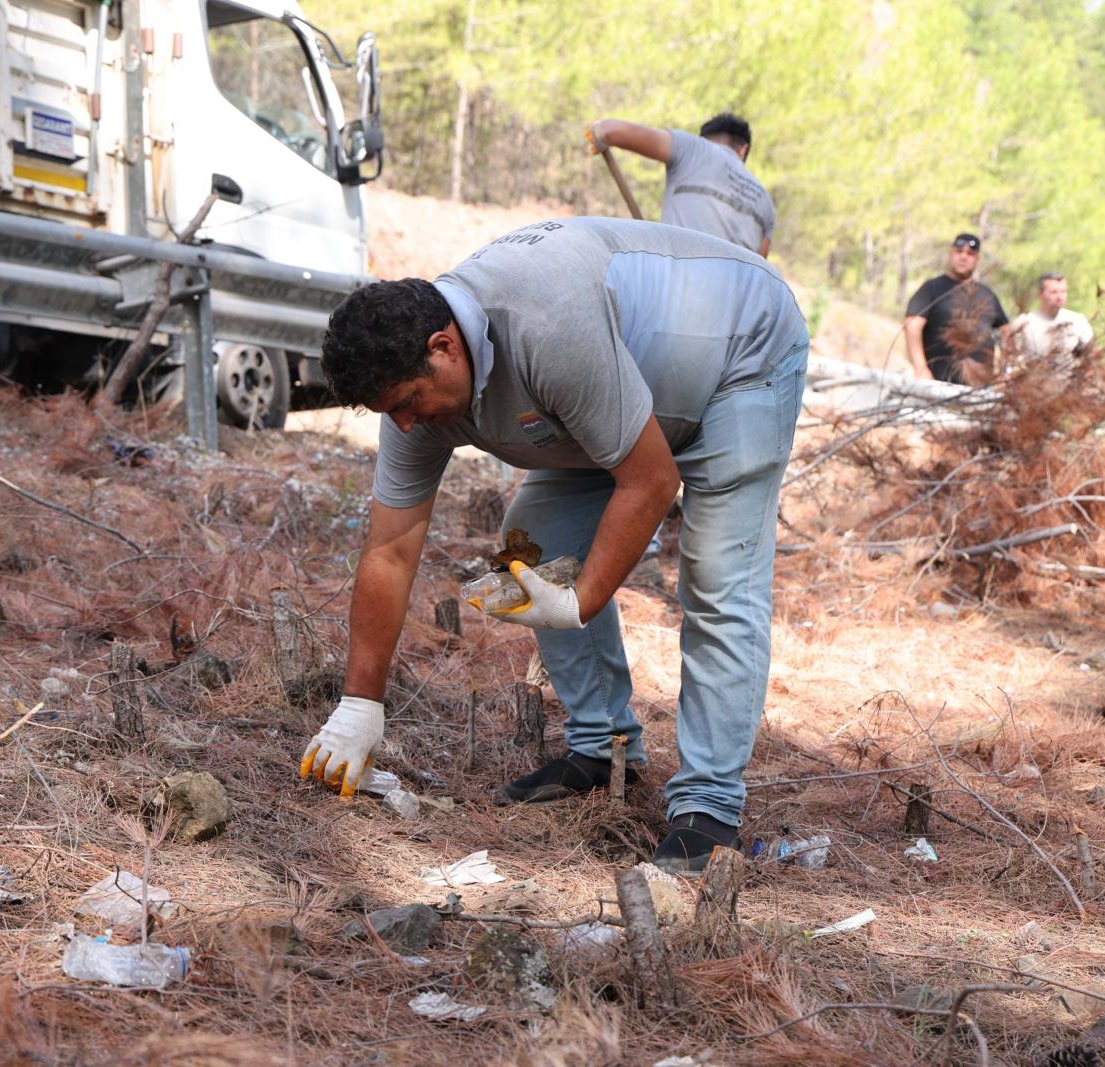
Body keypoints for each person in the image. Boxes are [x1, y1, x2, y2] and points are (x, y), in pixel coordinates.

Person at [297, 217, 809, 876]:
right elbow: (389, 549)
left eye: (408, 403)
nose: (404, 424)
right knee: (533, 551)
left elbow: (651, 480)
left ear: (444, 346)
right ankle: (603, 749)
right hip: (624, 394)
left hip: (737, 355)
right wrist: (359, 705)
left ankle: (708, 810)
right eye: (388, 414)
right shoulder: (412, 394)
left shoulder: (545, 326)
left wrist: (582, 601)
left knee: (717, 580)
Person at [587, 112, 775, 258]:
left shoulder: (694, 148)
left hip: (678, 293)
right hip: (736, 305)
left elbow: (610, 130)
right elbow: (759, 268)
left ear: (704, 137)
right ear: (744, 149)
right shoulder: (765, 201)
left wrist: (597, 130)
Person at [904, 233, 1009, 386]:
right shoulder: (932, 289)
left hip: (980, 388)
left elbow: (1007, 332)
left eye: (970, 254)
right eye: (959, 252)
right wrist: (920, 367)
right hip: (937, 383)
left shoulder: (987, 294)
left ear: (977, 260)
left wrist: (1004, 370)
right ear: (950, 254)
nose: (963, 257)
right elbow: (912, 326)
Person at [1005, 272, 1093, 380]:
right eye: (1053, 292)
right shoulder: (1024, 323)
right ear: (1040, 294)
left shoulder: (1078, 322)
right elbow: (1009, 359)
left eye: (1063, 291)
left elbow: (1090, 357)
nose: (1059, 297)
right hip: (1032, 389)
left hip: (1069, 389)